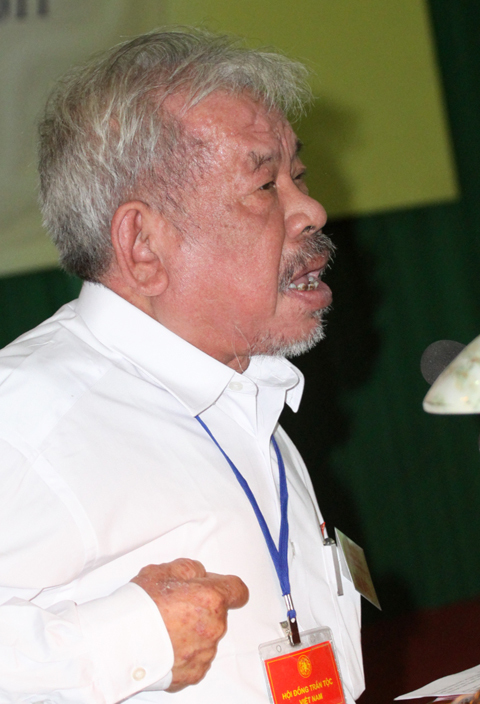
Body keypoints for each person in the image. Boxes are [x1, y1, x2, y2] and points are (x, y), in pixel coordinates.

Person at [0, 29, 365, 704]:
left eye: (300, 176)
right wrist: (131, 640)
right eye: (265, 184)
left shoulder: (248, 394)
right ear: (143, 244)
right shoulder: (26, 417)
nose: (312, 210)